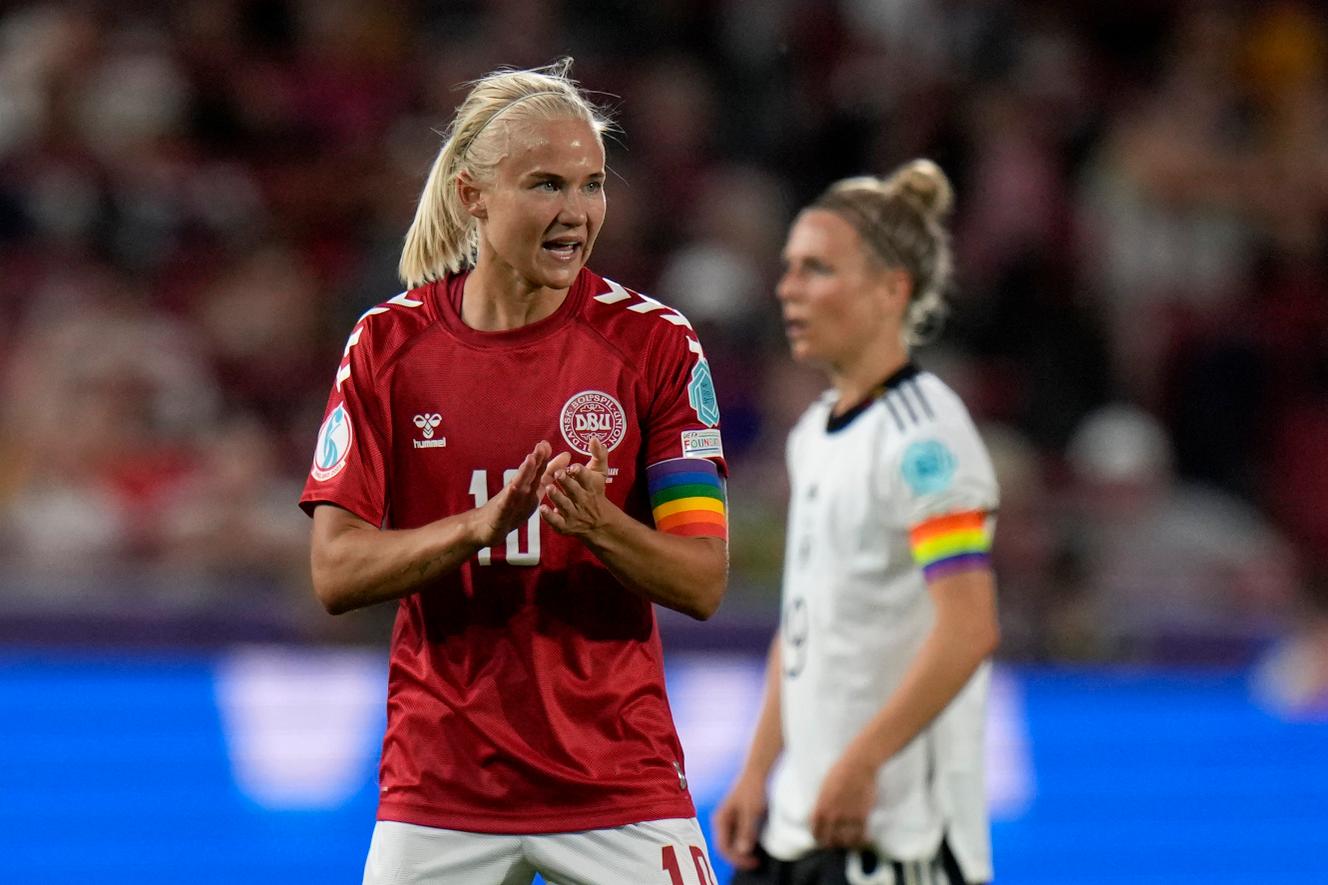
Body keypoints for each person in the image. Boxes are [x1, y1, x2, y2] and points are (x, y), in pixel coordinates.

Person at [300, 59, 730, 885]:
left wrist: (600, 523)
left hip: (618, 782)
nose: (577, 212)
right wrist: (478, 526)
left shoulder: (656, 346)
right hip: (440, 789)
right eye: (546, 185)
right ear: (473, 196)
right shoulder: (388, 348)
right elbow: (335, 568)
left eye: (592, 184)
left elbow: (703, 578)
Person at [713, 160, 1001, 885]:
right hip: (799, 822)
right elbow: (806, 621)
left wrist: (865, 760)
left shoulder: (926, 438)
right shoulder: (813, 432)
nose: (788, 289)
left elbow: (969, 626)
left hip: (895, 837)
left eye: (816, 269)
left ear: (890, 290)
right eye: (788, 268)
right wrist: (757, 770)